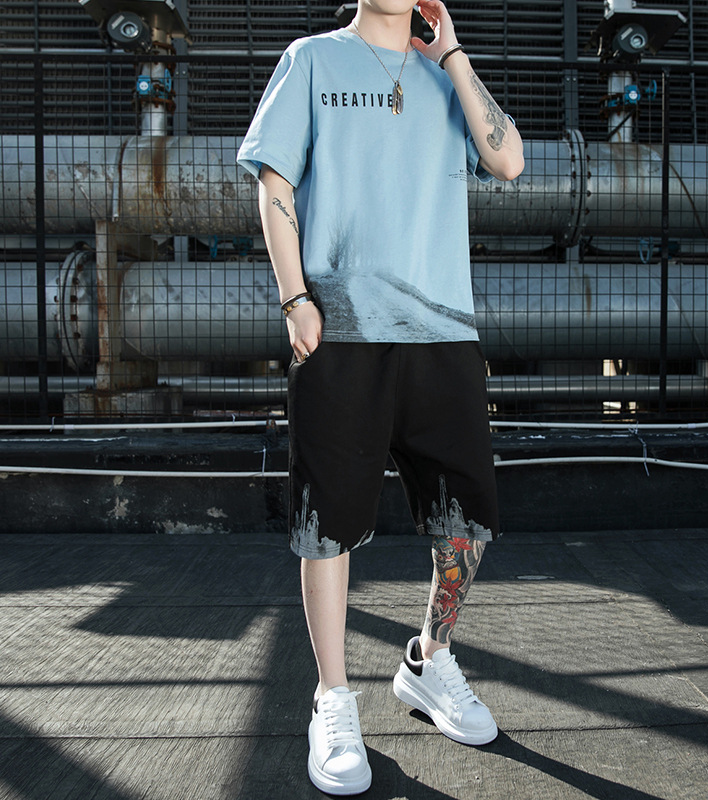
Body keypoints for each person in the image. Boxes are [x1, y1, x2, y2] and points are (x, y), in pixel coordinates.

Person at [237, 0, 524, 793]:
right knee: (325, 522)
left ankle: (429, 662)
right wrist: (295, 299)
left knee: (467, 520)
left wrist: (454, 54)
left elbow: (508, 161)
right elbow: (274, 183)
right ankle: (332, 698)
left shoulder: (444, 78)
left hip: (443, 332)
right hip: (342, 332)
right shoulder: (311, 59)